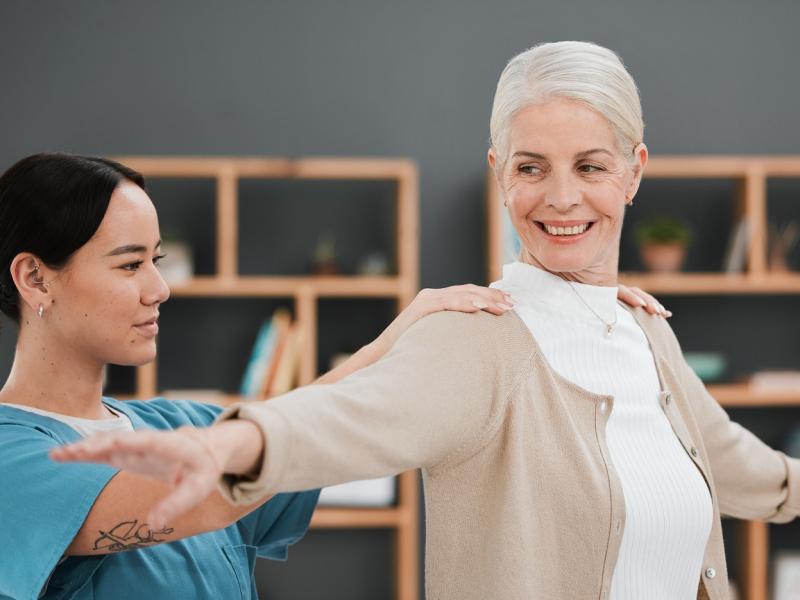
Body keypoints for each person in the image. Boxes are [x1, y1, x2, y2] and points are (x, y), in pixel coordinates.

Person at [49, 41, 772, 600]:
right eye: (529, 168)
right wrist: (237, 442)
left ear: (634, 171)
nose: (559, 197)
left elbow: (744, 469)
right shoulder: (478, 336)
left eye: (589, 167)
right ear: (498, 174)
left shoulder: (645, 333)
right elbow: (361, 417)